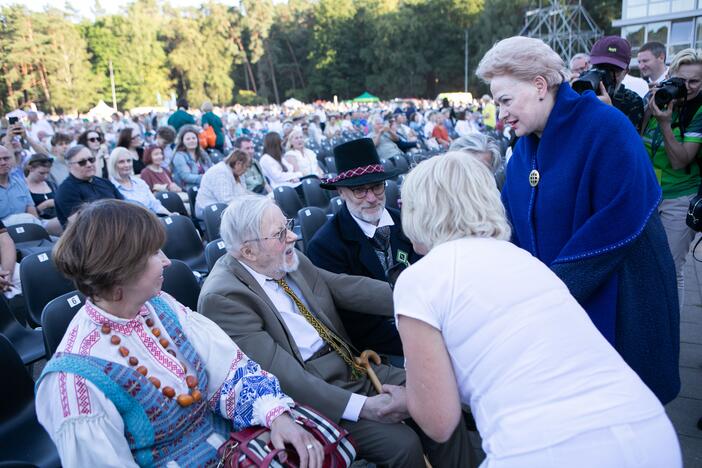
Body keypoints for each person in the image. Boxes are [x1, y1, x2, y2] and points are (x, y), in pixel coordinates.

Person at [395, 152, 682, 468]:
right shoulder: (527, 262)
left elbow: (439, 422)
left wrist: (407, 399)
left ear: (419, 209)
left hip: (546, 446)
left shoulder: (419, 280)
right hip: (646, 426)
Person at [35, 199, 324, 468]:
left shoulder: (160, 306)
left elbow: (228, 371)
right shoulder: (74, 381)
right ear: (120, 269)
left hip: (238, 447)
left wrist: (275, 416)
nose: (167, 261)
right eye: (153, 253)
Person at [476, 36, 680, 404]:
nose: (500, 113)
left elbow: (619, 218)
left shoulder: (607, 126)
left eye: (505, 100)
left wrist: (550, 292)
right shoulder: (523, 149)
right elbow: (509, 223)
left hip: (620, 302)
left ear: (540, 86)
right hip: (558, 310)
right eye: (496, 103)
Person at [198, 194, 472, 468]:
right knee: (403, 445)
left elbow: (345, 287)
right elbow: (285, 375)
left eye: (288, 225)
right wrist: (365, 407)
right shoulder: (224, 297)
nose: (293, 236)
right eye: (280, 233)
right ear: (248, 252)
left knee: (442, 403)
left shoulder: (282, 256)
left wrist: (421, 295)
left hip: (352, 365)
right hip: (312, 395)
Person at [306, 138, 421, 356]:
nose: (371, 198)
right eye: (359, 190)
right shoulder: (325, 246)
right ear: (341, 192)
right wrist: (420, 340)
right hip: (381, 352)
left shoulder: (407, 223)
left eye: (377, 187)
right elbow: (355, 324)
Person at [642, 48, 702, 305]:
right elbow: (637, 138)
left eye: (695, 81)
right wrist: (651, 104)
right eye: (681, 80)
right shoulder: (658, 98)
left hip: (679, 196)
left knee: (670, 268)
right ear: (671, 76)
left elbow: (680, 160)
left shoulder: (698, 112)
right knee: (645, 263)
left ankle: (669, 336)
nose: (687, 87)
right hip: (648, 195)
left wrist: (665, 123)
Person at [55, 145, 124, 227]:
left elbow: (123, 206)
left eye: (91, 160)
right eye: (82, 162)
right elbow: (82, 224)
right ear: (69, 167)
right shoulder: (66, 190)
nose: (89, 164)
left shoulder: (104, 182)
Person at [588, 36, 644, 130]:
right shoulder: (579, 91)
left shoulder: (632, 101)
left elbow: (629, 142)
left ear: (626, 72)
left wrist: (610, 112)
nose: (606, 74)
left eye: (614, 70)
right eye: (600, 67)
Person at [108, 147, 170, 216]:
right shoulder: (110, 187)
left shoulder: (139, 182)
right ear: (113, 165)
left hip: (155, 219)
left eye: (128, 161)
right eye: (121, 162)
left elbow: (155, 205)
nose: (127, 165)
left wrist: (170, 215)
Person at [194, 149, 250, 218]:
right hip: (208, 209)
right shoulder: (220, 172)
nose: (246, 170)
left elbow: (243, 193)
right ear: (238, 164)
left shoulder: (237, 171)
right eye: (246, 167)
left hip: (224, 207)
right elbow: (226, 201)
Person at [0, 145, 40, 226]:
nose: (3, 162)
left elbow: (32, 212)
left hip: (26, 227)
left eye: (6, 158)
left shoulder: (20, 182)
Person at [24, 153, 62, 235]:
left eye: (47, 173)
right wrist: (45, 204)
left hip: (56, 218)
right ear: (31, 168)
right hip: (38, 222)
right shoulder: (22, 186)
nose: (45, 176)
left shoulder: (51, 184)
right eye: (41, 173)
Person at [171, 124, 213, 191]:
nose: (192, 141)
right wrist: (206, 178)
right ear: (183, 141)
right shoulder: (179, 156)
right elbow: (186, 177)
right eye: (188, 139)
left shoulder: (202, 153)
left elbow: (211, 168)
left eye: (194, 138)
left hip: (206, 186)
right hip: (189, 189)